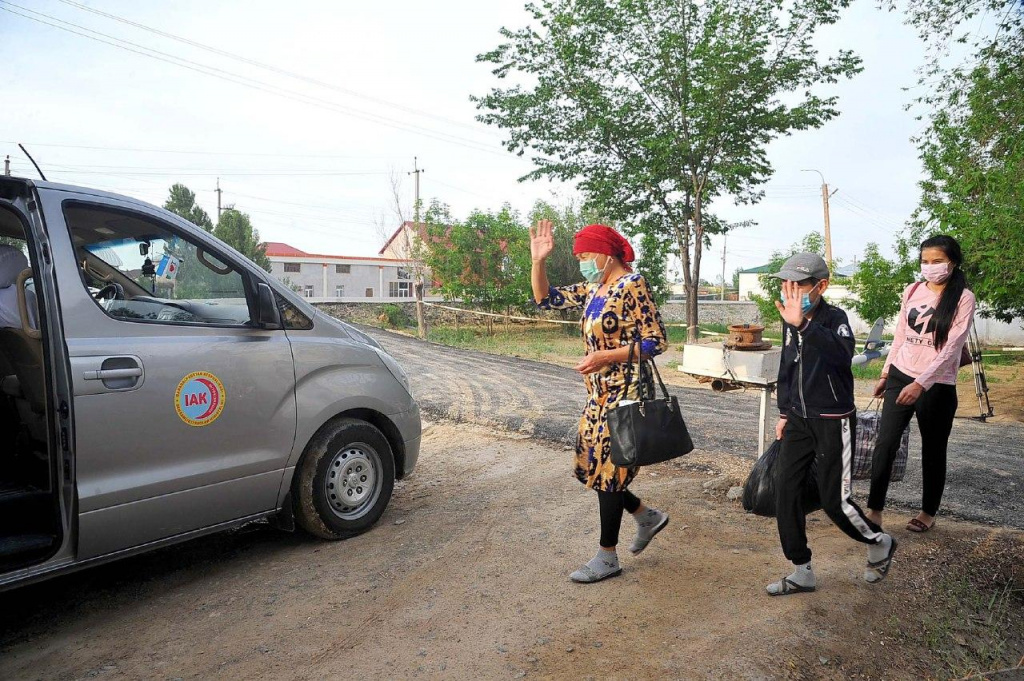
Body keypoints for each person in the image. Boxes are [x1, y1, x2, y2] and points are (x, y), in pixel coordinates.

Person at [530, 219, 669, 583]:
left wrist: (607, 357)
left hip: (625, 393)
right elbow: (547, 299)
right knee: (590, 467)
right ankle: (645, 515)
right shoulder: (595, 288)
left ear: (607, 254)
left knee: (609, 472)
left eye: (587, 255)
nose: (583, 264)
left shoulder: (631, 284)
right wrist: (538, 262)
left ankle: (608, 557)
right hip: (597, 394)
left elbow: (656, 341)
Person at [766, 252, 897, 596]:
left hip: (833, 420)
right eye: (784, 283)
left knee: (833, 500)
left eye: (797, 284)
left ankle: (877, 540)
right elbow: (787, 366)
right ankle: (801, 569)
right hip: (798, 419)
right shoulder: (787, 318)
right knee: (786, 491)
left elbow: (841, 358)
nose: (788, 290)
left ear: (821, 286)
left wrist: (805, 326)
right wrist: (783, 412)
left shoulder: (833, 318)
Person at [867, 235, 976, 533]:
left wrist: (921, 383)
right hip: (901, 373)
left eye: (937, 261)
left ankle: (928, 512)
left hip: (936, 384)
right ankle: (875, 510)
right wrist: (886, 374)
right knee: (885, 443)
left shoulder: (963, 298)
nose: (930, 267)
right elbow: (901, 336)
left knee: (933, 448)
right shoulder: (912, 290)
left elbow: (952, 348)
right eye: (925, 261)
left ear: (952, 262)